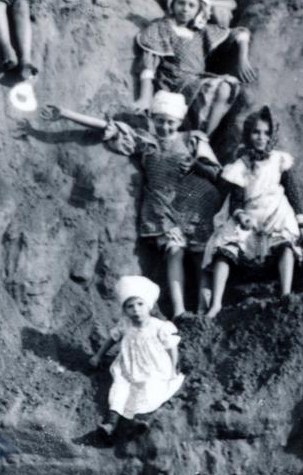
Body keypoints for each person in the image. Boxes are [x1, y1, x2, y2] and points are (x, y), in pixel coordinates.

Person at [42, 91, 222, 319]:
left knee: (200, 256)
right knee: (174, 251)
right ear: (153, 119)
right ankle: (179, 311)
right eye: (160, 121)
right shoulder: (146, 141)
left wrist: (196, 165)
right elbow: (108, 126)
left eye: (170, 122)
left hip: (197, 204)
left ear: (178, 122)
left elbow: (217, 172)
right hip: (163, 207)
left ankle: (205, 314)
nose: (165, 127)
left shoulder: (193, 139)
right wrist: (66, 113)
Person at [204, 107, 303, 317]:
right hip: (251, 211)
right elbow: (236, 199)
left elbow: (292, 192)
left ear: (272, 135)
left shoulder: (280, 160)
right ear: (248, 135)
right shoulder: (241, 164)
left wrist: (301, 225)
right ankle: (216, 303)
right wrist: (240, 215)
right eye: (256, 132)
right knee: (224, 246)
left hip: (276, 209)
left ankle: (285, 293)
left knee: (285, 243)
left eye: (266, 133)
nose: (261, 137)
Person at [135, 0, 255, 133]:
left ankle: (203, 137)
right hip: (172, 82)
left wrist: (242, 59)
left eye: (191, 5)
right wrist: (145, 97)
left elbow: (240, 32)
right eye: (181, 3)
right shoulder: (161, 27)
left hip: (195, 80)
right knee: (220, 88)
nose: (185, 9)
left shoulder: (200, 31)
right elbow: (149, 64)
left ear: (199, 10)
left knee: (226, 88)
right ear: (172, 3)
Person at [92, 274, 183, 441]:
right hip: (128, 366)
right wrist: (98, 356)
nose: (136, 310)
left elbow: (171, 345)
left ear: (148, 306)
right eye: (130, 306)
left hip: (153, 366)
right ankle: (110, 424)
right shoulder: (125, 325)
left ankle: (139, 420)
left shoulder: (158, 326)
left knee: (149, 388)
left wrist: (174, 365)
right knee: (120, 389)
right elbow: (112, 339)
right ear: (125, 310)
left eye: (140, 304)